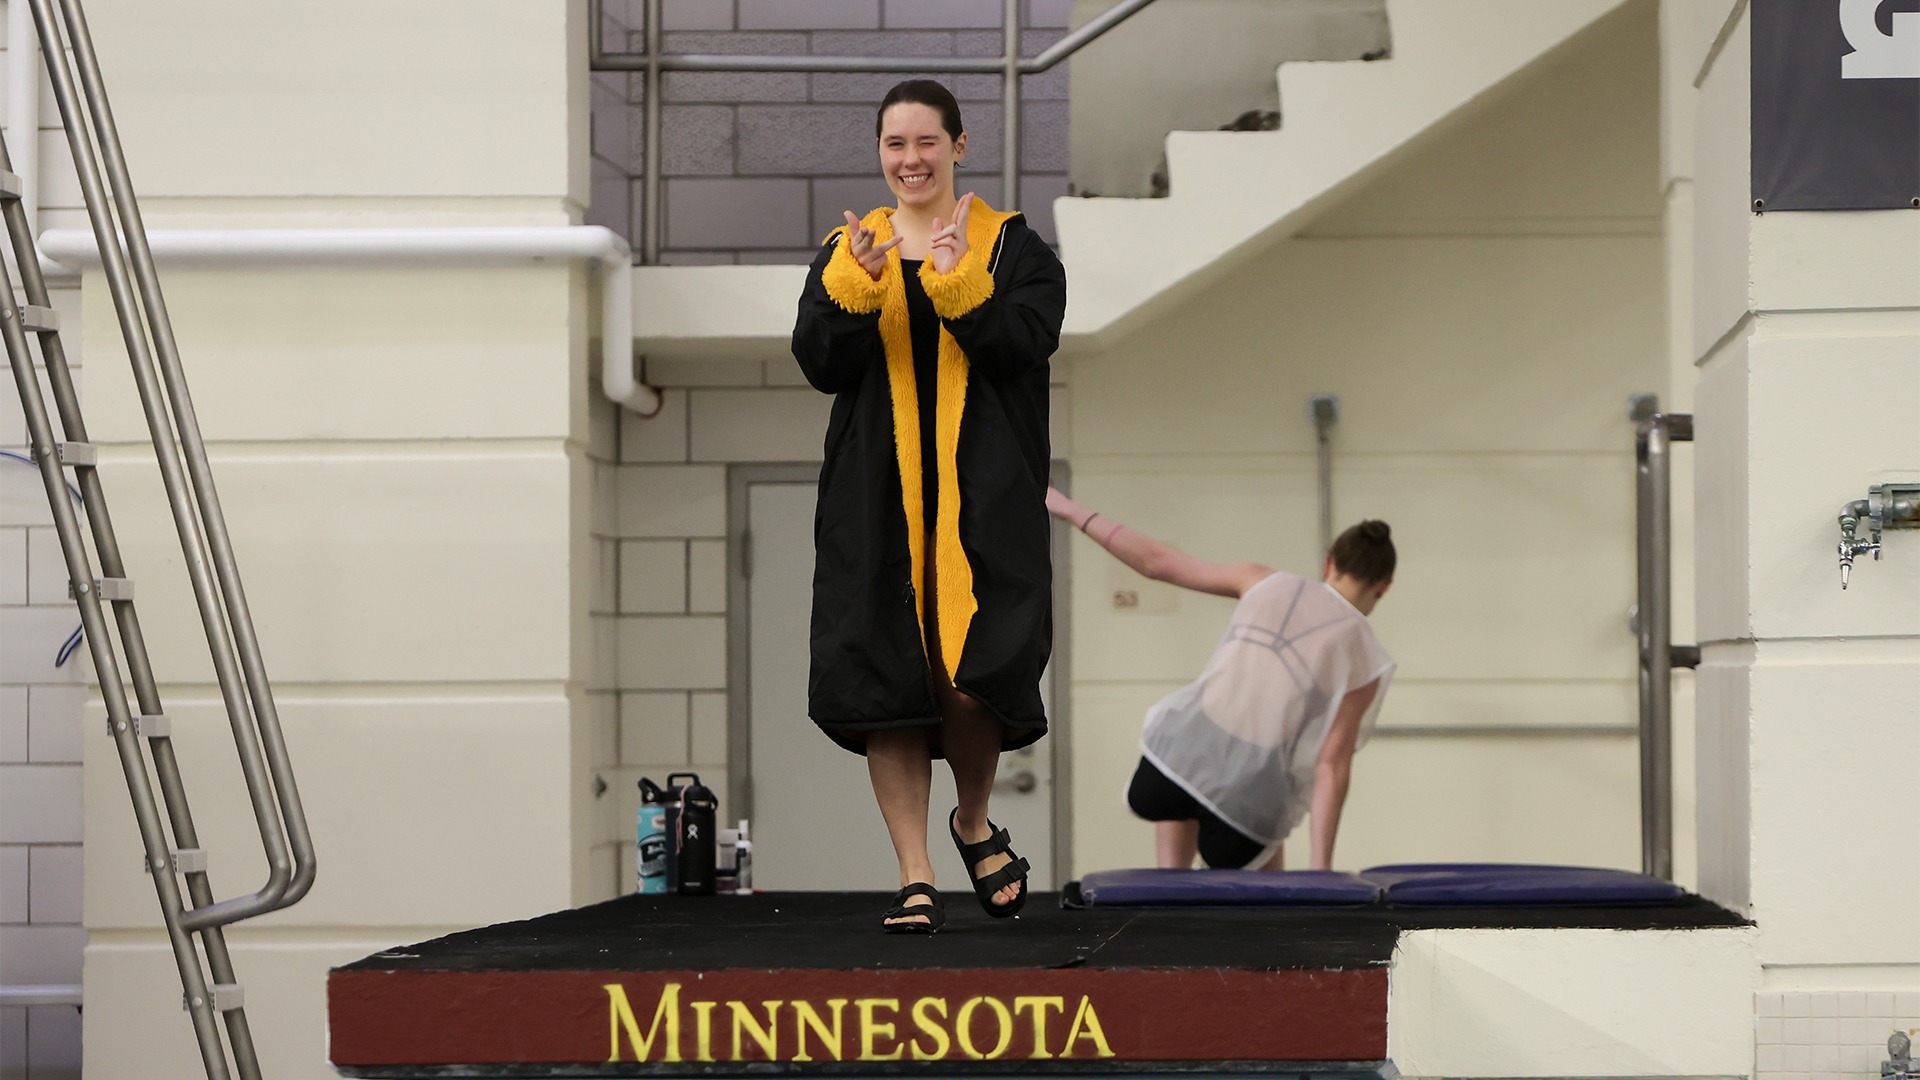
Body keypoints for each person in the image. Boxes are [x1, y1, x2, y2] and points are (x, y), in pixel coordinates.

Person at [791, 80, 1067, 933]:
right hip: (875, 500)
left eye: (925, 142)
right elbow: (818, 361)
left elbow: (1026, 343)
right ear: (880, 154)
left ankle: (973, 822)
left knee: (973, 677)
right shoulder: (852, 247)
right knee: (889, 685)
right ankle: (915, 873)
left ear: (959, 145)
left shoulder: (1014, 249)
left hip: (983, 498)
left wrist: (957, 284)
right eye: (894, 145)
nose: (910, 160)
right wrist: (854, 288)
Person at [1045, 487, 1396, 872]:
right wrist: (1321, 868)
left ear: (1330, 564)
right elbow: (1332, 764)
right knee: (1265, 913)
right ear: (1383, 587)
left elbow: (1155, 561)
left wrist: (1068, 509)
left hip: (1179, 754)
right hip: (1251, 791)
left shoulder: (1263, 581)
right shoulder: (1365, 655)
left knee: (1169, 893)